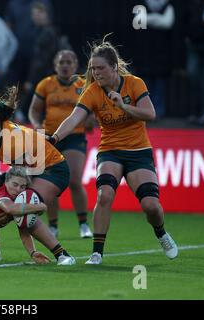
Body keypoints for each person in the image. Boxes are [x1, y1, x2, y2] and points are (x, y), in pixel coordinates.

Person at [49, 39, 178, 264]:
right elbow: (74, 118)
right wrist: (55, 138)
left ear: (114, 67)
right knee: (104, 195)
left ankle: (161, 233)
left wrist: (123, 106)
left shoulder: (134, 83)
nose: (96, 73)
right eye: (93, 69)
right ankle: (97, 252)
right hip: (110, 150)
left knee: (151, 207)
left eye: (100, 68)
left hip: (138, 151)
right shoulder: (92, 92)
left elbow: (150, 114)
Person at [0, 86, 70, 262]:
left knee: (24, 209)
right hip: (25, 171)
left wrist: (9, 214)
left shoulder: (13, 139)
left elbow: (23, 180)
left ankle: (62, 255)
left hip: (53, 169)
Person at [28, 49, 93, 239]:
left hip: (75, 136)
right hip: (49, 138)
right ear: (55, 65)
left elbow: (94, 108)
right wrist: (37, 125)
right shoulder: (46, 84)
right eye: (61, 62)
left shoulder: (84, 85)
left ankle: (83, 224)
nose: (65, 65)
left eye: (69, 62)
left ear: (75, 65)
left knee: (74, 180)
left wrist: (91, 119)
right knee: (51, 183)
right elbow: (33, 110)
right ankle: (53, 225)